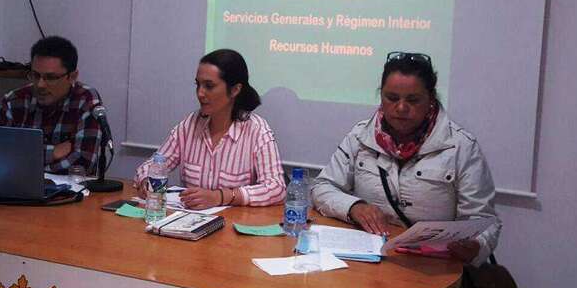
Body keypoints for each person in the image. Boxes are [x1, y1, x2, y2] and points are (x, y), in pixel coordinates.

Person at [311, 51, 501, 266]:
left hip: (434, 268)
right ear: (380, 96)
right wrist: (354, 207)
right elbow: (322, 187)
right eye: (391, 98)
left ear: (430, 99)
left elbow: (484, 221)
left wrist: (476, 245)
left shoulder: (461, 147)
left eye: (413, 100)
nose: (401, 108)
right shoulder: (360, 136)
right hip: (373, 261)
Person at [134, 49, 286, 209]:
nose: (200, 93)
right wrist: (146, 180)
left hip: (232, 226)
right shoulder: (190, 125)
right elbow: (153, 164)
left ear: (235, 90)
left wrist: (220, 197)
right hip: (188, 224)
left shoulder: (256, 129)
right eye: (198, 85)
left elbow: (276, 188)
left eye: (209, 86)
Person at [0, 36, 104, 175]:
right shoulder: (14, 100)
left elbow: (81, 165)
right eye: (35, 75)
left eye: (50, 78)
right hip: (16, 189)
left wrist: (24, 163)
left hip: (70, 194)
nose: (40, 84)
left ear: (72, 77)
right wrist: (54, 152)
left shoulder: (86, 99)